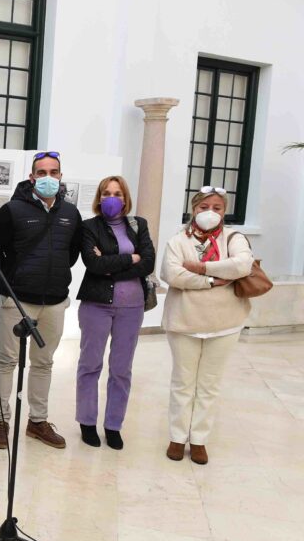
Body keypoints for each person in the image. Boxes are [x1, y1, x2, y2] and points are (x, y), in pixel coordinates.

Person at [0, 151, 82, 451]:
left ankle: (37, 421)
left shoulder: (71, 213)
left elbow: (73, 253)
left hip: (54, 301)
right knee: (7, 360)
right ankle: (1, 421)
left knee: (44, 362)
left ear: (61, 177)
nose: (48, 178)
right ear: (32, 177)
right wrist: (13, 277)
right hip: (17, 299)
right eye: (42, 173)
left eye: (54, 172)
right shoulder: (13, 210)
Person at [160, 187, 253, 465]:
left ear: (224, 211)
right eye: (203, 207)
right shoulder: (178, 240)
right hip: (184, 321)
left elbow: (242, 265)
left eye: (217, 208)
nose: (210, 213)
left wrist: (199, 268)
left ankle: (199, 439)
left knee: (209, 385)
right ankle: (177, 436)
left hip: (225, 323)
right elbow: (172, 274)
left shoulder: (233, 238)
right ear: (194, 209)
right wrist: (212, 280)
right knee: (182, 383)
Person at [74, 176, 155, 450]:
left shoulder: (138, 225)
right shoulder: (89, 227)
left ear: (125, 197)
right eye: (107, 193)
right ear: (99, 198)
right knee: (90, 365)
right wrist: (129, 259)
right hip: (96, 303)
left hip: (132, 307)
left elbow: (148, 263)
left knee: (121, 369)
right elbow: (92, 264)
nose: (112, 198)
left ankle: (113, 425)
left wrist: (111, 264)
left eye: (117, 193)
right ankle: (87, 421)